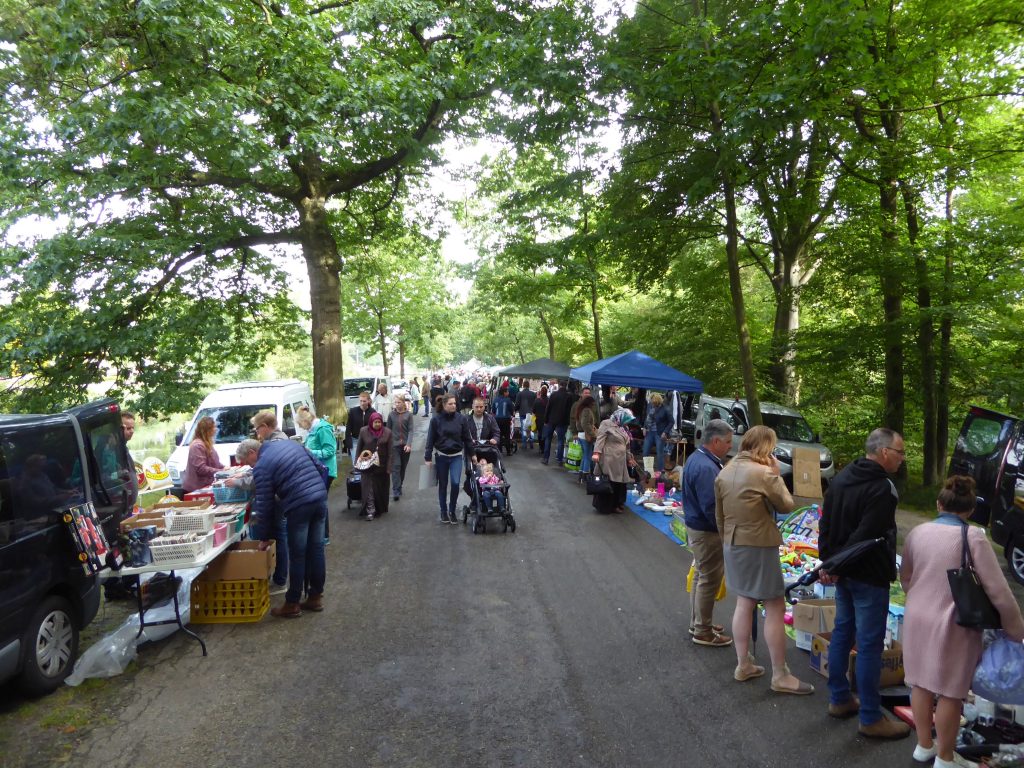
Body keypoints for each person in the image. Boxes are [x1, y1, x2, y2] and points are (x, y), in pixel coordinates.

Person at [901, 476, 1024, 768]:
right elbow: (998, 591)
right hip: (953, 622)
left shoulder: (917, 533)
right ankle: (945, 758)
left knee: (920, 683)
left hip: (917, 616)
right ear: (970, 510)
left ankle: (924, 746)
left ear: (938, 504)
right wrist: (1016, 629)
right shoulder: (973, 537)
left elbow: (906, 577)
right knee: (951, 691)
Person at [819, 427, 910, 739]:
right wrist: (833, 565)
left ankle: (840, 698)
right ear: (884, 452)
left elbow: (825, 525)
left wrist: (830, 563)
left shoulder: (842, 477)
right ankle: (871, 717)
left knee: (844, 631)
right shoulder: (882, 488)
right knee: (869, 644)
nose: (902, 458)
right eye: (900, 452)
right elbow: (868, 536)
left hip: (844, 572)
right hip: (867, 575)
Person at [716, 426, 809, 693]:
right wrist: (777, 475)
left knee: (744, 602)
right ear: (766, 447)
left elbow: (719, 516)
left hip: (732, 543)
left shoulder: (725, 471)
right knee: (775, 606)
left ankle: (743, 663)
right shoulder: (764, 473)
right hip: (758, 544)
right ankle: (780, 674)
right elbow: (787, 504)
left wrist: (728, 541)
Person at [249, 428, 327, 618]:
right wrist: (318, 491)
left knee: (298, 554)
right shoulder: (291, 444)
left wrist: (264, 537)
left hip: (299, 504)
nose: (250, 468)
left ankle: (292, 603)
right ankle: (315, 597)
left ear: (253, 453)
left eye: (247, 463)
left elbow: (265, 504)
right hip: (319, 498)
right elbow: (320, 468)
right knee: (316, 549)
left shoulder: (262, 465)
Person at [682, 418, 734, 648]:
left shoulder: (699, 459)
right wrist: (727, 530)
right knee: (709, 580)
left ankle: (698, 623)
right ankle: (702, 629)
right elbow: (712, 508)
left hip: (698, 526)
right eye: (728, 442)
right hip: (706, 530)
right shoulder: (705, 467)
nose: (730, 446)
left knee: (702, 577)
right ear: (715, 441)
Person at [425, 394, 474, 524]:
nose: (454, 406)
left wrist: (473, 454)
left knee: (456, 483)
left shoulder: (461, 419)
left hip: (456, 456)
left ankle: (452, 510)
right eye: (451, 404)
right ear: (444, 405)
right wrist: (427, 457)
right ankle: (443, 511)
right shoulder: (436, 420)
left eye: (455, 404)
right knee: (443, 485)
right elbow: (430, 439)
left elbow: (467, 438)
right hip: (441, 456)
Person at [296, 406, 337, 544]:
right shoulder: (313, 430)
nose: (301, 427)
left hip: (326, 471)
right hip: (318, 471)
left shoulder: (322, 429)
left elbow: (330, 451)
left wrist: (310, 451)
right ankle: (319, 535)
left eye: (301, 424)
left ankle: (323, 536)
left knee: (320, 504)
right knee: (318, 503)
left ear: (306, 421)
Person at [590, 408, 638, 515]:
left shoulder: (624, 427)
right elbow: (600, 438)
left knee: (618, 484)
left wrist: (629, 458)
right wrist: (596, 452)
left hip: (620, 460)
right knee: (608, 482)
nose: (628, 422)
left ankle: (616, 504)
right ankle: (605, 507)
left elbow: (627, 446)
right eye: (627, 419)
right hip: (609, 459)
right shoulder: (606, 423)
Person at [355, 412, 393, 521]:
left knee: (379, 489)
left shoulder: (387, 432)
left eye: (379, 422)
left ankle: (378, 508)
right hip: (367, 465)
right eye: (375, 422)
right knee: (369, 489)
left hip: (381, 466)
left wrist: (389, 467)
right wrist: (357, 463)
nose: (377, 424)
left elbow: (390, 452)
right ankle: (370, 511)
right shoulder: (363, 431)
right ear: (371, 422)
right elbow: (359, 448)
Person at [181, 416, 224, 493]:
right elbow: (201, 468)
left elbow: (213, 461)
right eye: (213, 427)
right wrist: (220, 471)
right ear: (207, 430)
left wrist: (224, 468)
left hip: (204, 487)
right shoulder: (197, 445)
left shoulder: (206, 443)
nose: (215, 429)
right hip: (194, 489)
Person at [387, 394, 414, 502]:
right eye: (396, 402)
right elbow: (388, 430)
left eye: (399, 402)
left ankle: (399, 485)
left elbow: (411, 430)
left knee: (402, 468)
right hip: (394, 445)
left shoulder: (409, 415)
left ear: (403, 403)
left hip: (405, 446)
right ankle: (396, 491)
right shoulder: (391, 415)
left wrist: (408, 444)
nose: (397, 405)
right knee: (396, 467)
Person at [542, 379, 573, 466]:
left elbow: (548, 407)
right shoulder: (568, 396)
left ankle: (545, 458)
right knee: (560, 440)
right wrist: (568, 422)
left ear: (559, 385)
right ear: (566, 385)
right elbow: (569, 410)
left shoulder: (553, 394)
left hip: (552, 419)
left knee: (548, 439)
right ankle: (559, 459)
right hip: (562, 421)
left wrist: (545, 420)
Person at [643, 393, 673, 472]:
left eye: (654, 403)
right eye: (652, 403)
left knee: (660, 454)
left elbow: (671, 422)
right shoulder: (650, 405)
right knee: (645, 452)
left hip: (659, 433)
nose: (653, 405)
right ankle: (648, 472)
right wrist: (644, 427)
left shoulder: (665, 409)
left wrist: (665, 432)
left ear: (658, 402)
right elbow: (647, 417)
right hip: (649, 432)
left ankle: (660, 473)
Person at [345, 391, 376, 464]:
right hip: (355, 440)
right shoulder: (353, 411)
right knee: (356, 462)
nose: (362, 403)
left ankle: (366, 475)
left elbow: (375, 428)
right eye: (361, 401)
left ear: (368, 401)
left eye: (364, 401)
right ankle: (357, 476)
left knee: (367, 462)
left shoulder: (373, 412)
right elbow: (348, 426)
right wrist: (348, 441)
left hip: (368, 441)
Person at [577, 394, 599, 476]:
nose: (593, 405)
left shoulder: (582, 409)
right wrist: (593, 434)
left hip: (581, 434)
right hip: (585, 435)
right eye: (593, 404)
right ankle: (585, 475)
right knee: (587, 457)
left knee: (584, 456)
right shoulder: (587, 410)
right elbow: (585, 424)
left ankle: (581, 475)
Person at [490, 387, 515, 455]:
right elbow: (512, 410)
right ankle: (508, 451)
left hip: (497, 419)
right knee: (507, 435)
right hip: (506, 419)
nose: (508, 393)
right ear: (504, 393)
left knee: (499, 435)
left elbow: (493, 410)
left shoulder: (495, 400)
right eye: (507, 391)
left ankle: (499, 450)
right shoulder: (508, 400)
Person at [514, 382, 537, 450]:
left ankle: (524, 445)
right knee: (530, 428)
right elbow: (535, 404)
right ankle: (531, 443)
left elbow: (517, 404)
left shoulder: (519, 393)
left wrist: (515, 410)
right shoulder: (533, 394)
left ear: (523, 385)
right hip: (531, 413)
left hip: (523, 413)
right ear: (529, 385)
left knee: (524, 429)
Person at [531, 385, 548, 452]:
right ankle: (545, 447)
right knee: (546, 434)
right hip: (547, 420)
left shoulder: (537, 401)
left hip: (538, 420)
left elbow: (533, 411)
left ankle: (541, 447)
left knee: (540, 434)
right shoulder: (549, 400)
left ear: (541, 392)